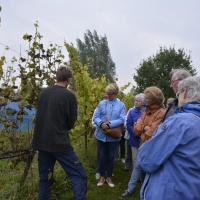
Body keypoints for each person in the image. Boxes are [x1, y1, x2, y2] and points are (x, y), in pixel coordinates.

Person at [138, 76, 200, 200]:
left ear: (185, 92)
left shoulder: (180, 121)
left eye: (178, 93)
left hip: (171, 191)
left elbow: (147, 159)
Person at [32, 66, 87, 200]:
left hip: (42, 143)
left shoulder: (43, 93)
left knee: (45, 179)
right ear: (68, 79)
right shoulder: (69, 96)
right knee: (79, 176)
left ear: (57, 77)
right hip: (59, 143)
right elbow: (70, 123)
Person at [120, 86, 165, 199]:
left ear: (155, 100)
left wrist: (142, 127)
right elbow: (136, 129)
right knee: (137, 168)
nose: (145, 100)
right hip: (142, 145)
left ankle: (147, 193)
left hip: (152, 148)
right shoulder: (146, 111)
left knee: (149, 171)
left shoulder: (161, 113)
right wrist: (144, 127)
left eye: (148, 98)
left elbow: (151, 134)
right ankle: (130, 189)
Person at [93, 83, 126, 187]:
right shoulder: (102, 103)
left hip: (113, 136)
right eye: (108, 93)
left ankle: (109, 177)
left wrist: (109, 124)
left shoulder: (121, 105)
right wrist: (101, 123)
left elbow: (122, 119)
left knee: (111, 157)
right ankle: (102, 176)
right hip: (101, 135)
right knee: (102, 156)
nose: (109, 95)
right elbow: (96, 116)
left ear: (116, 93)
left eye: (111, 94)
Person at [126, 93, 146, 167]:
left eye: (138, 101)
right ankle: (136, 177)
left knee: (144, 158)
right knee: (135, 159)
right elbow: (128, 124)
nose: (136, 102)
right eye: (135, 100)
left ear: (144, 102)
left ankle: (143, 176)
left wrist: (142, 131)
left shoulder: (147, 111)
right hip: (134, 138)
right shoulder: (131, 112)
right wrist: (135, 132)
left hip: (145, 138)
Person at [92, 93, 108, 180]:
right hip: (99, 134)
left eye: (107, 98)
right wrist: (101, 125)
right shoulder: (98, 108)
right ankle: (99, 171)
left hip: (110, 135)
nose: (105, 100)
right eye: (104, 98)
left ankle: (106, 171)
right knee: (100, 154)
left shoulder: (112, 109)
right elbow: (93, 122)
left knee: (108, 154)